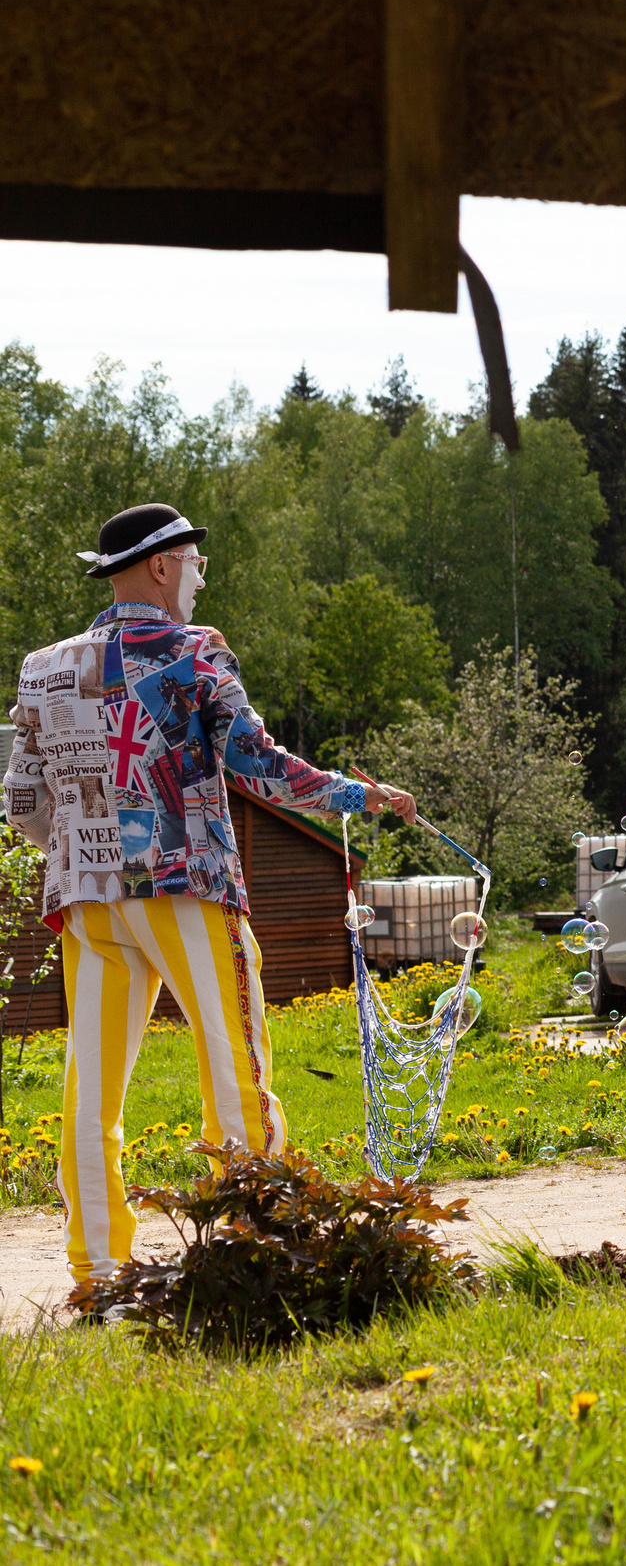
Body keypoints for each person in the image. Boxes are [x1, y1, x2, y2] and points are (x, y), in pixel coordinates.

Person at [4, 504, 416, 1286]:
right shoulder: (195, 652)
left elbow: (22, 801)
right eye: (195, 563)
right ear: (161, 566)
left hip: (85, 901)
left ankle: (97, 1270)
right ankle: (252, 1242)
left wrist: (83, 855)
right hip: (186, 884)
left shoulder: (43, 667)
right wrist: (353, 796)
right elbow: (255, 763)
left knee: (91, 1092)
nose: (199, 577)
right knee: (234, 1067)